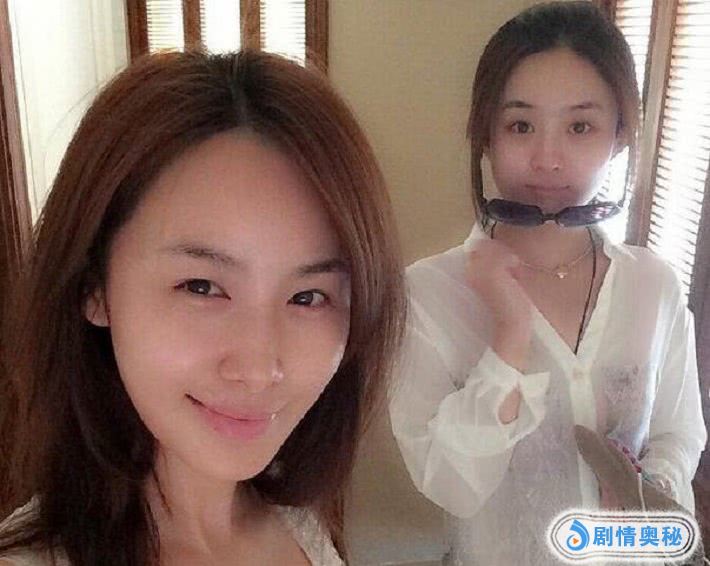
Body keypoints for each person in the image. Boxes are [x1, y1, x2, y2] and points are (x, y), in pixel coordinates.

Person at [0, 49, 405, 565]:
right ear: (94, 287)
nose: (258, 370)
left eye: (308, 297)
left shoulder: (296, 522)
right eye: (201, 287)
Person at [389, 2, 706, 564]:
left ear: (619, 136)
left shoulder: (652, 285)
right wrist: (508, 339)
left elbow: (678, 431)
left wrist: (650, 489)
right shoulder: (428, 296)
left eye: (580, 126)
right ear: (485, 135)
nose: (548, 159)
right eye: (521, 125)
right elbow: (452, 487)